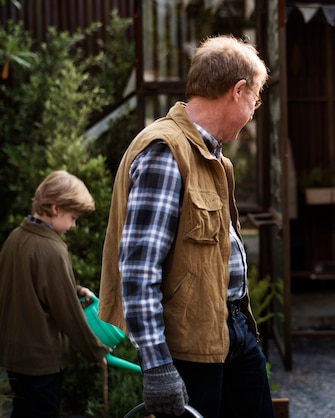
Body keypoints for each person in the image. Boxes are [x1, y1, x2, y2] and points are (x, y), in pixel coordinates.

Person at [98, 34, 275, 418]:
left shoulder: (211, 155)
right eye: (255, 99)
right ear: (237, 90)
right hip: (188, 349)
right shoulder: (165, 150)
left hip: (232, 329)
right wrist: (158, 365)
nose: (253, 110)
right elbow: (138, 271)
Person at [0, 170, 109, 418]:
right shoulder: (51, 249)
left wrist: (73, 290)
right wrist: (96, 351)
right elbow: (68, 313)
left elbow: (27, 287)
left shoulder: (15, 238)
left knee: (21, 411)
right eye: (73, 217)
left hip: (15, 355)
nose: (73, 225)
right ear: (55, 208)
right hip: (41, 361)